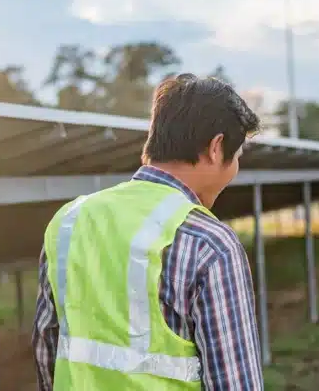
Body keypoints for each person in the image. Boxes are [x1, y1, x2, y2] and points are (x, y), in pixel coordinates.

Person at [32, 74, 264, 390]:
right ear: (216, 147)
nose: (235, 171)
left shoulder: (70, 222)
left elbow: (47, 355)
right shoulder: (208, 244)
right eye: (237, 157)